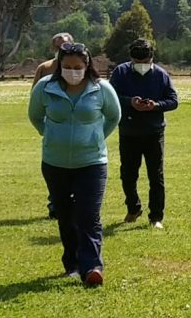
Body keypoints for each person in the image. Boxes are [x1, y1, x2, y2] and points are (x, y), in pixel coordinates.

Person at [27, 41, 121, 287]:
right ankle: (72, 265)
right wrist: (49, 135)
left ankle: (92, 267)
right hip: (55, 163)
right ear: (59, 66)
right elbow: (35, 116)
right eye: (67, 67)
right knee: (65, 215)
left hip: (92, 163)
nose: (72, 71)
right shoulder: (45, 87)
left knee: (89, 215)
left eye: (77, 67)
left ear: (87, 65)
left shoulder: (102, 89)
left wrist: (96, 138)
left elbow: (114, 116)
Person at [108, 38, 178, 228]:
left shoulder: (161, 75)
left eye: (145, 61)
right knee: (127, 175)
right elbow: (110, 96)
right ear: (131, 58)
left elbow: (173, 101)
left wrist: (155, 105)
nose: (141, 65)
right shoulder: (120, 72)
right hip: (129, 132)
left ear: (151, 57)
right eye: (137, 61)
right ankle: (133, 208)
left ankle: (156, 217)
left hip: (154, 132)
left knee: (156, 176)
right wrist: (130, 102)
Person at [35, 32, 75, 217]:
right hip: (53, 130)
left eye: (64, 46)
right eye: (58, 47)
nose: (61, 50)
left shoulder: (80, 67)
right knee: (54, 168)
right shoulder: (44, 69)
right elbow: (36, 101)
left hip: (78, 129)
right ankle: (55, 204)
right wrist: (44, 129)